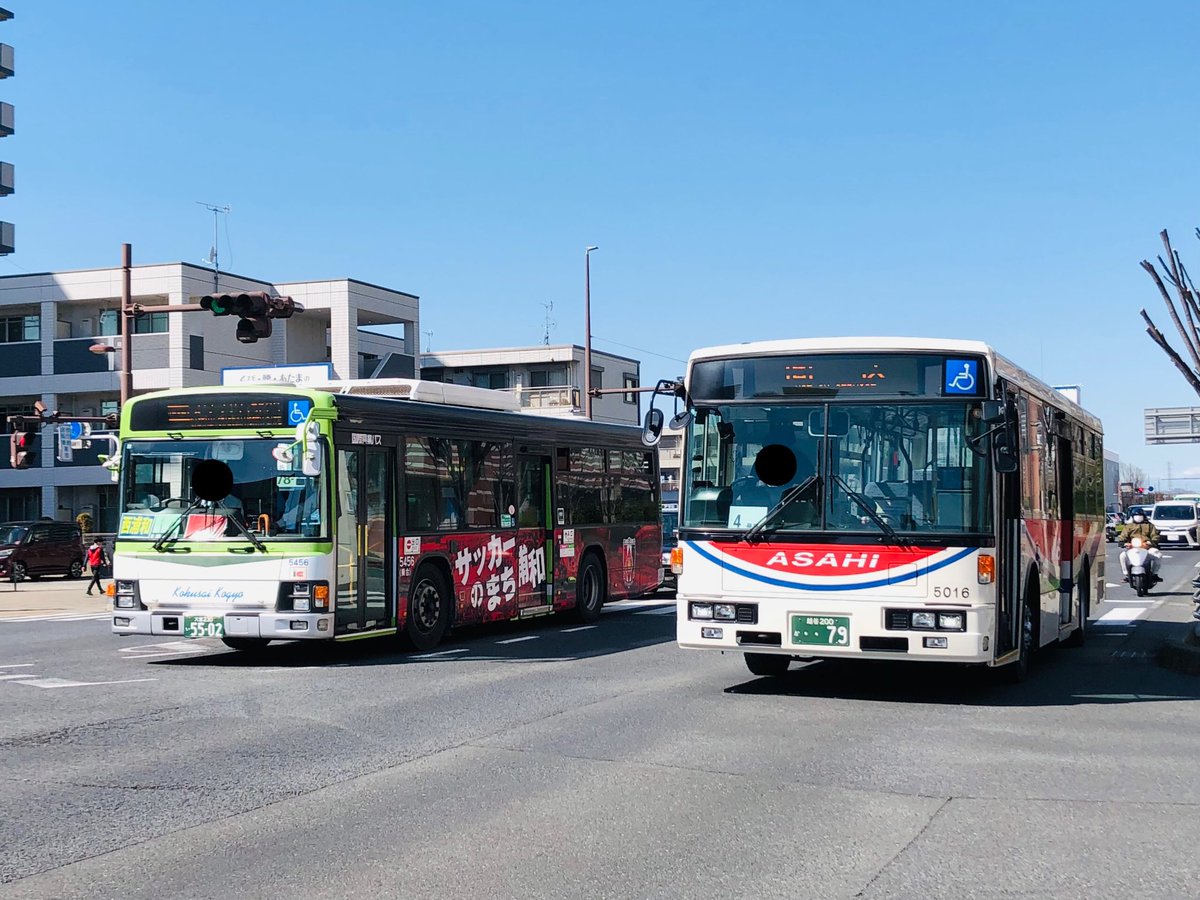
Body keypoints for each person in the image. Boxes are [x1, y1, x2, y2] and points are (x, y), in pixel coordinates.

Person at [1118, 509, 1161, 582]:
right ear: (1132, 517)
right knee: (1122, 556)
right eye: (1136, 516)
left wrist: (1151, 542)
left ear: (1144, 516)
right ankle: (1127, 575)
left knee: (1158, 555)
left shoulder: (1150, 525)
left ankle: (1154, 574)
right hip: (1132, 548)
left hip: (1147, 548)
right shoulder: (1129, 526)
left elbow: (1155, 535)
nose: (1138, 517)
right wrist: (1123, 542)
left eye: (1140, 516)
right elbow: (1123, 536)